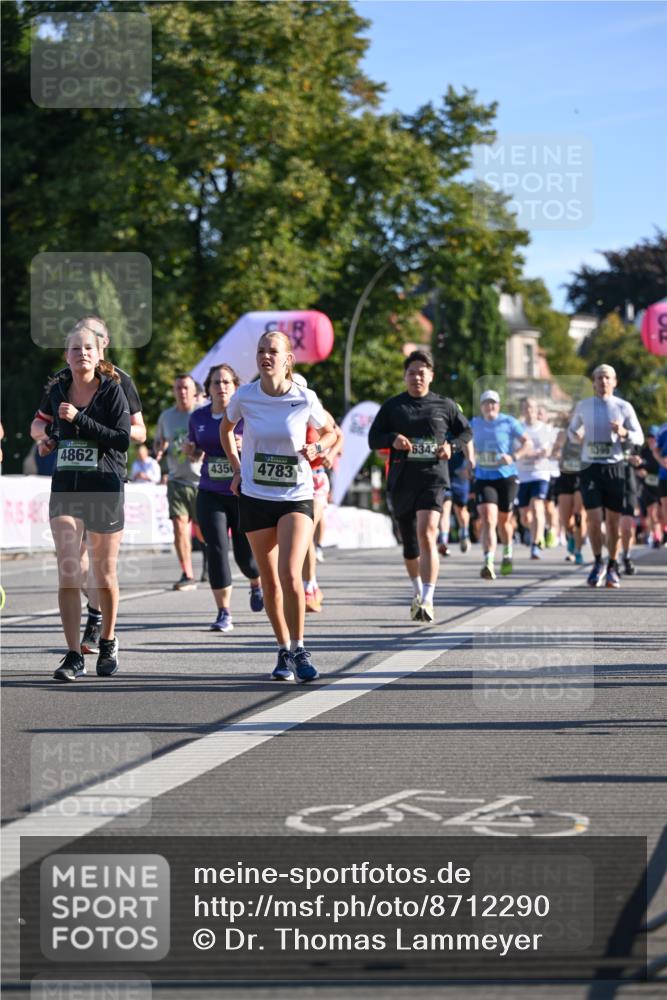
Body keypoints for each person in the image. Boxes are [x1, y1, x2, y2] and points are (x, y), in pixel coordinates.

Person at [219, 331, 336, 681]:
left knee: (289, 573)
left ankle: (300, 648)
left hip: (296, 496)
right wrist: (237, 467)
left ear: (288, 360)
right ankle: (283, 648)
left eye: (273, 351)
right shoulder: (245, 396)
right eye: (261, 351)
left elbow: (331, 431)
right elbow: (226, 428)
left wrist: (319, 448)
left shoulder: (304, 397)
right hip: (256, 496)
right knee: (269, 581)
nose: (265, 356)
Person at [31, 314, 146, 656]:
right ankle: (77, 643)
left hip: (106, 477)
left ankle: (98, 622)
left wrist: (83, 421)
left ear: (102, 347)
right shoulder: (58, 385)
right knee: (73, 565)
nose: (82, 350)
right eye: (75, 345)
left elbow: (135, 433)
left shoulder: (119, 383)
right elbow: (41, 424)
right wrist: (46, 437)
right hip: (67, 484)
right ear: (66, 352)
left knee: (99, 568)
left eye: (90, 343)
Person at [368, 349, 472, 622]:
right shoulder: (393, 407)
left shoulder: (444, 405)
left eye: (422, 373)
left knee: (427, 532)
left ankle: (428, 598)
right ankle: (417, 590)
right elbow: (373, 438)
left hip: (433, 478)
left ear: (431, 376)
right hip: (402, 480)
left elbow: (466, 431)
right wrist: (392, 439)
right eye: (411, 372)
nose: (416, 377)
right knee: (410, 543)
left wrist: (452, 446)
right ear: (405, 376)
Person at [185, 363, 264, 632]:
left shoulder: (247, 417)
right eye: (216, 383)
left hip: (242, 492)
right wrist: (190, 450)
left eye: (227, 382)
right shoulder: (198, 418)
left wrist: (246, 445)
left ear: (236, 387)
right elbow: (196, 453)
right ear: (208, 388)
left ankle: (256, 582)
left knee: (246, 557)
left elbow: (266, 445)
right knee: (216, 549)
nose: (221, 387)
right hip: (210, 492)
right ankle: (224, 612)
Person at [568, 364, 644, 588]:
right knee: (593, 520)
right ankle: (598, 562)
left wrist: (624, 432)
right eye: (599, 378)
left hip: (615, 467)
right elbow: (570, 431)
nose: (603, 382)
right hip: (590, 467)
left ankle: (612, 565)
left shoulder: (623, 407)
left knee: (612, 523)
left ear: (615, 382)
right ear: (593, 381)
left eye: (607, 378)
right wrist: (576, 436)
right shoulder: (583, 406)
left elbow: (638, 436)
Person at [292, 374, 344, 613]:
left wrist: (329, 455)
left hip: (315, 479)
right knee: (296, 537)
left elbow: (338, 435)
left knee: (306, 531)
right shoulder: (281, 411)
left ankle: (309, 586)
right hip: (289, 479)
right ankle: (304, 584)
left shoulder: (317, 410)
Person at [471, 390, 529, 579]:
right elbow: (466, 443)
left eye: (494, 403)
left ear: (499, 405)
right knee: (488, 519)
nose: (490, 406)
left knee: (504, 521)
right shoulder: (474, 424)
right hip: (483, 477)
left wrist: (514, 457)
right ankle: (488, 561)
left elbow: (527, 443)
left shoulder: (509, 422)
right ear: (481, 406)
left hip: (507, 477)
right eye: (487, 403)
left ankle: (507, 552)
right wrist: (469, 459)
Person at [154, 373, 203, 590]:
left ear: (194, 391)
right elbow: (160, 440)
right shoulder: (166, 416)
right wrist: (158, 449)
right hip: (177, 479)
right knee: (179, 526)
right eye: (178, 388)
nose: (182, 392)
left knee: (203, 532)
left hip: (203, 482)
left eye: (186, 388)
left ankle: (211, 562)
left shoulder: (202, 414)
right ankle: (187, 573)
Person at [516, 397, 555, 560]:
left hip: (541, 474)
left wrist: (534, 453)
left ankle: (535, 544)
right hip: (523, 476)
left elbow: (546, 450)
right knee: (525, 516)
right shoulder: (518, 429)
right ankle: (535, 531)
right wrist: (528, 453)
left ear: (536, 410)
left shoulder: (545, 429)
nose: (529, 411)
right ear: (522, 411)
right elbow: (516, 450)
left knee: (537, 505)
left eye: (532, 408)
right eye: (526, 408)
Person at [552, 415, 587, 565]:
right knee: (566, 520)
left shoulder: (588, 432)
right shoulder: (562, 434)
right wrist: (557, 450)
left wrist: (583, 441)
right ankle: (571, 537)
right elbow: (554, 453)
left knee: (579, 515)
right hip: (565, 476)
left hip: (581, 476)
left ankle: (578, 550)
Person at [637, 426, 662, 547]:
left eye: (653, 437)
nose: (650, 439)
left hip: (661, 486)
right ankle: (656, 537)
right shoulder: (644, 451)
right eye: (649, 437)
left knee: (662, 513)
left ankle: (665, 531)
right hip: (648, 487)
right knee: (652, 513)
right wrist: (640, 471)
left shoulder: (662, 450)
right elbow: (637, 466)